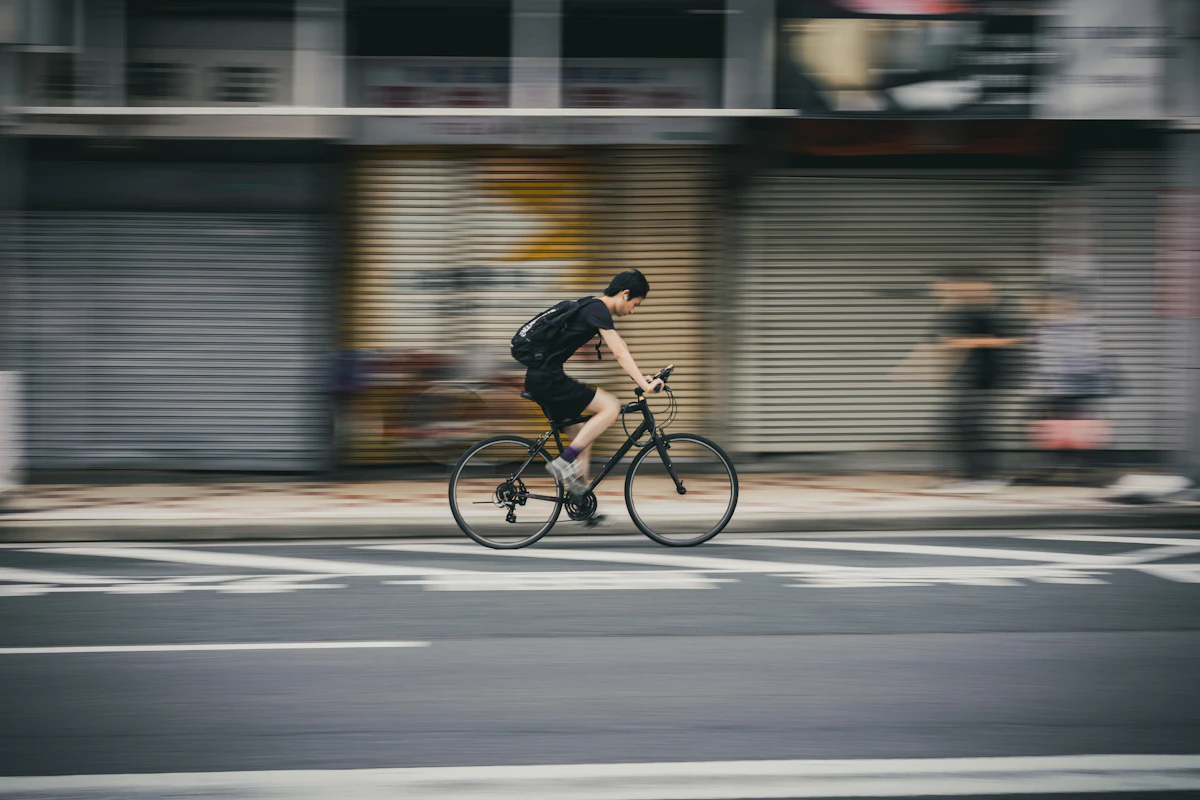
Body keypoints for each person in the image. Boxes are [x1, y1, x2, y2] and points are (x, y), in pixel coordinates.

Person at [525, 270, 664, 522]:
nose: (633, 311)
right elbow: (619, 351)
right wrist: (643, 385)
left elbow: (620, 351)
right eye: (635, 304)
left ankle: (580, 503)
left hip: (543, 378)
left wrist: (642, 378)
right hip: (547, 380)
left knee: (583, 439)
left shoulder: (590, 306)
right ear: (625, 295)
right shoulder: (597, 309)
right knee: (610, 406)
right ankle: (563, 462)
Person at [934, 269, 1023, 493]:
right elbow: (947, 343)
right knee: (961, 425)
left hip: (987, 377)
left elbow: (1011, 339)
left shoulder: (993, 309)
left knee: (966, 425)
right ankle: (976, 475)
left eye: (947, 286)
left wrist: (963, 342)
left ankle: (981, 476)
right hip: (968, 377)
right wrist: (945, 372)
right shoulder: (959, 309)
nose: (943, 290)